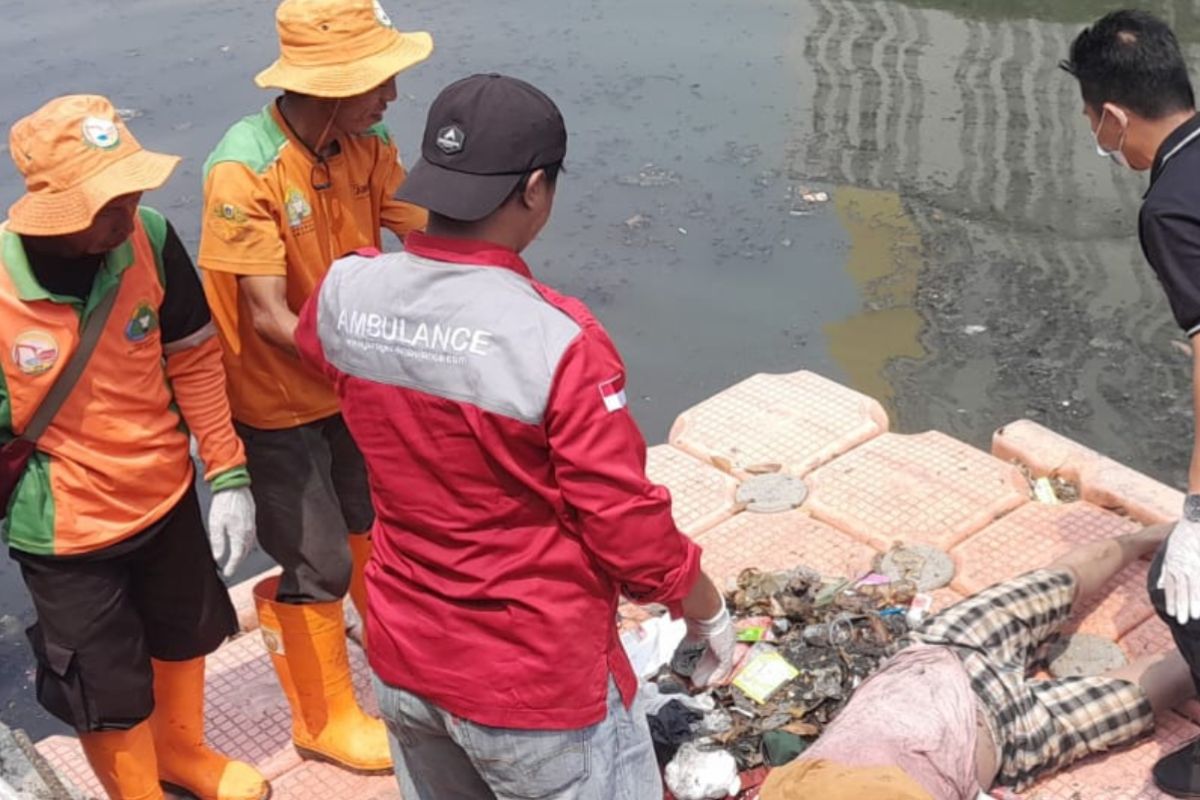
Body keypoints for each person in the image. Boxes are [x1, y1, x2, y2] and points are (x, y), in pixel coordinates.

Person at [292, 73, 738, 799]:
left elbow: (320, 355)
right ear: (535, 188)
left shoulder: (346, 292)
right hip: (533, 684)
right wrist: (702, 604)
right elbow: (624, 524)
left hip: (405, 657)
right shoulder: (556, 340)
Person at [1, 95, 264, 800]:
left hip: (166, 494)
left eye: (129, 188)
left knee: (186, 635)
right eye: (105, 202)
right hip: (68, 531)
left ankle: (183, 751)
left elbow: (195, 358)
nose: (128, 209)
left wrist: (228, 474)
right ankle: (136, 790)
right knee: (103, 682)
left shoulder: (148, 235)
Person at [196, 0, 431, 773]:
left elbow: (418, 227)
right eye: (378, 81)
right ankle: (323, 717)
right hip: (278, 399)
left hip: (347, 374)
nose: (391, 96)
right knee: (315, 557)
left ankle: (398, 650)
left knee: (374, 517)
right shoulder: (245, 167)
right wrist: (373, 360)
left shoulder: (366, 141)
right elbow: (266, 314)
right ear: (330, 84)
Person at [759, 524, 1192, 800]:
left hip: (941, 660)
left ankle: (1160, 536)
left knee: (1059, 585)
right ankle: (1162, 540)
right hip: (1000, 722)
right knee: (1169, 674)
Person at [1061, 11, 1200, 795]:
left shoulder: (1172, 206)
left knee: (1181, 592)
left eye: (1092, 121)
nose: (1100, 138)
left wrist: (1198, 514)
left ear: (1112, 116)